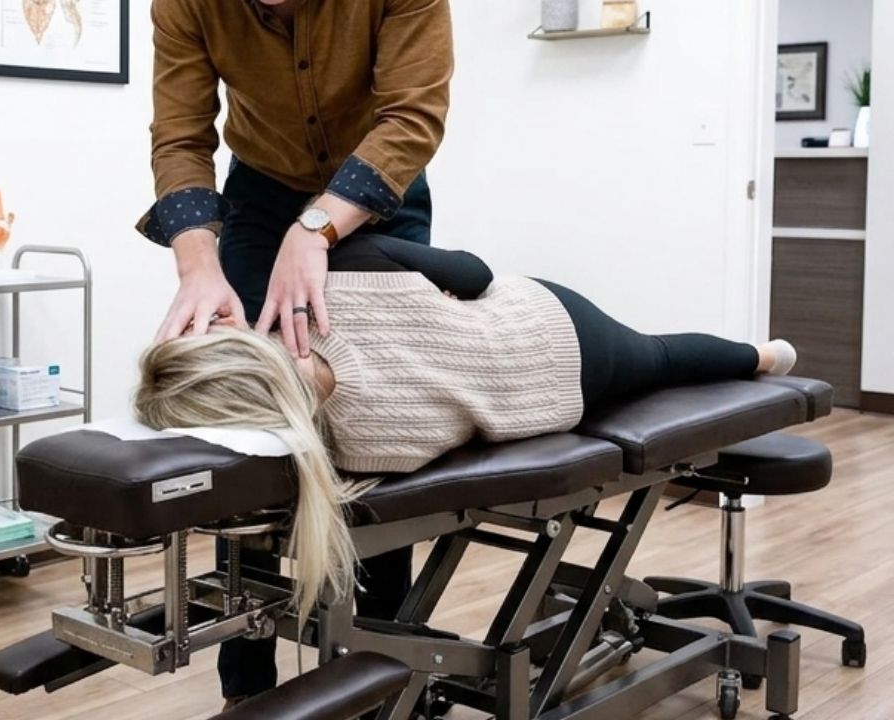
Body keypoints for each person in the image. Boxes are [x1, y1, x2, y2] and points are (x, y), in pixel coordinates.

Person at [134, 235, 798, 654]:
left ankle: (759, 355)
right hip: (547, 326)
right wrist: (439, 303)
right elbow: (474, 272)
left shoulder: (356, 452)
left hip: (547, 398)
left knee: (657, 359)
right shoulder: (343, 274)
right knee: (659, 355)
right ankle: (764, 355)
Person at [138, 0, 453, 704]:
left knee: (373, 421)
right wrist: (197, 262)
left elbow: (413, 114)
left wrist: (316, 229)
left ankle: (382, 676)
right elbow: (181, 134)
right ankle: (246, 689)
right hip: (258, 192)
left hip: (378, 191)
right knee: (249, 420)